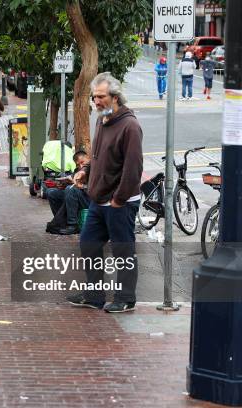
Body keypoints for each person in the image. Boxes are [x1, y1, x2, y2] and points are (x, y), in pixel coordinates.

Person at [69, 72, 143, 313]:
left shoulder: (130, 126)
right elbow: (97, 155)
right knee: (89, 243)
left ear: (115, 97)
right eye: (94, 97)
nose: (96, 101)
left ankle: (126, 297)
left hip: (119, 202)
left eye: (101, 97)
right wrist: (86, 171)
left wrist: (118, 199)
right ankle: (94, 295)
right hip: (98, 199)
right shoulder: (103, 120)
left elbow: (133, 168)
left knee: (123, 250)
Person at [57, 151, 91, 235]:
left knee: (71, 190)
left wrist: (82, 186)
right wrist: (64, 184)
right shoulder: (77, 170)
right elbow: (73, 181)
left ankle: (73, 224)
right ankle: (61, 222)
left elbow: (97, 188)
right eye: (78, 165)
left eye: (82, 162)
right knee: (52, 193)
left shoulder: (94, 168)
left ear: (88, 157)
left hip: (91, 199)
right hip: (79, 195)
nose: (81, 166)